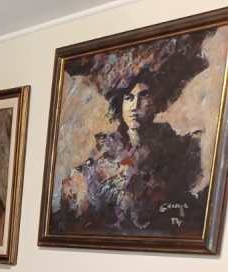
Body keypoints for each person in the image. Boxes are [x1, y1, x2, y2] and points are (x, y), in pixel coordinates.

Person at [56, 29, 213, 236]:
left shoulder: (176, 148)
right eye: (128, 99)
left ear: (156, 102)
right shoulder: (104, 151)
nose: (134, 106)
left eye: (143, 97)